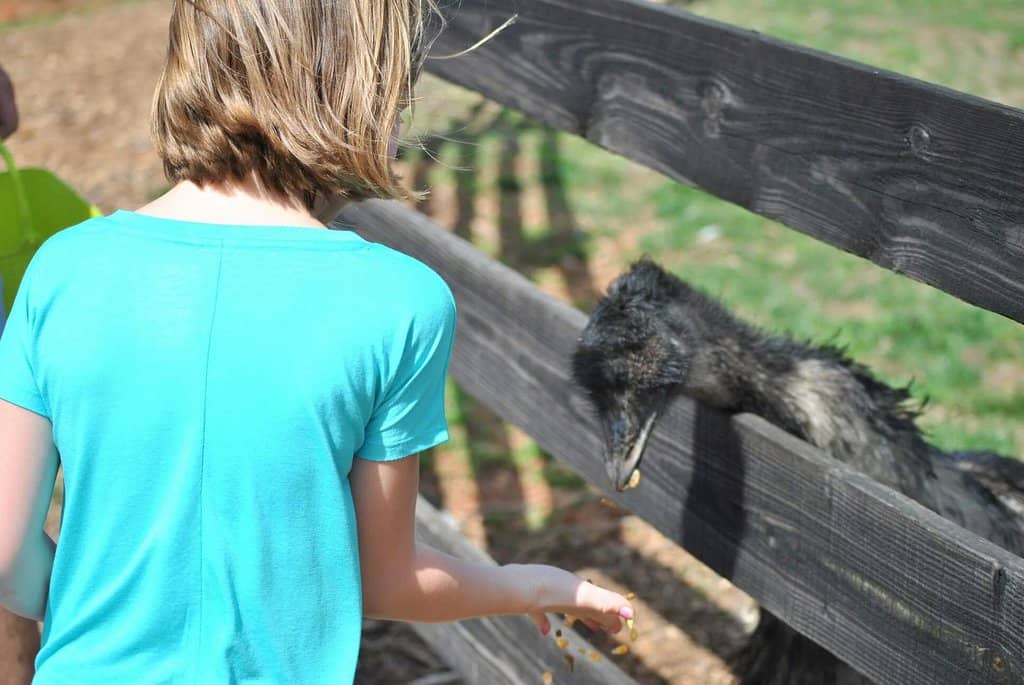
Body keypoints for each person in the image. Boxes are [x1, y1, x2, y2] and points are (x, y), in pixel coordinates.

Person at [0, 2, 634, 683]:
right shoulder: (399, 302)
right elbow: (392, 580)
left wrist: (92, 617)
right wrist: (529, 583)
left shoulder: (63, 268)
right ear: (362, 91)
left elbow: (6, 553)